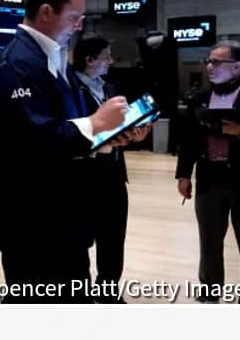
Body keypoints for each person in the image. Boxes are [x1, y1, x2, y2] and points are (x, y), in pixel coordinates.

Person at [0, 0, 128, 303]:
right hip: (34, 223)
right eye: (74, 17)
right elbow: (34, 140)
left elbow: (64, 128)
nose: (78, 26)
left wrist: (103, 140)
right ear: (46, 12)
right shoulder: (16, 63)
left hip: (64, 218)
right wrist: (96, 123)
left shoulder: (53, 58)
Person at [176, 40, 240, 303]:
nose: (210, 66)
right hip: (210, 180)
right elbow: (188, 140)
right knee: (209, 241)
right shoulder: (200, 98)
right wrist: (184, 174)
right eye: (208, 61)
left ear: (237, 67)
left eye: (216, 62)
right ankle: (209, 292)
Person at [72, 34, 150, 303]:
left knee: (114, 239)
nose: (111, 61)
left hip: (114, 175)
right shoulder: (68, 88)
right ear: (89, 59)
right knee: (80, 240)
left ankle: (107, 292)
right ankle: (80, 295)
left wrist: (135, 134)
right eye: (106, 56)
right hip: (83, 176)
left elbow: (120, 127)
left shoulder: (110, 88)